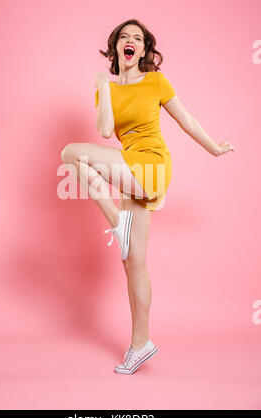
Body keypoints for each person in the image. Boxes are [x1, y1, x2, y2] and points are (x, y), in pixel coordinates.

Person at [61, 19, 235, 375]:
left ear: (143, 50)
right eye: (124, 37)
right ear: (116, 48)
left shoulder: (156, 81)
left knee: (69, 153)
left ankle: (116, 224)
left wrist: (214, 148)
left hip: (152, 164)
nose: (130, 41)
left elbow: (185, 119)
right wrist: (103, 87)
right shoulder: (105, 89)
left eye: (137, 39)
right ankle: (140, 344)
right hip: (130, 172)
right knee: (133, 263)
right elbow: (107, 131)